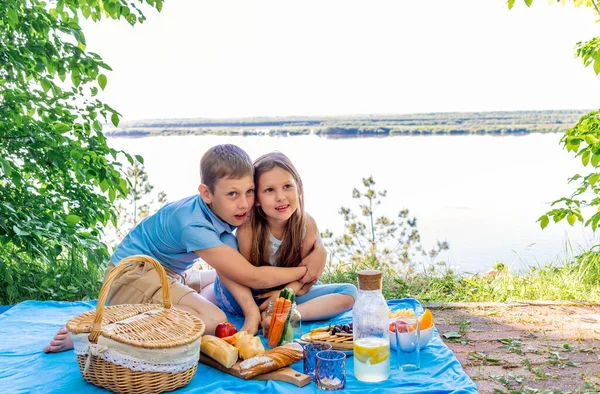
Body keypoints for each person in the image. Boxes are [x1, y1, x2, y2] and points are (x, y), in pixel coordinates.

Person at [44, 144, 317, 353]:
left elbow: (234, 270)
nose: (244, 204)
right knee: (213, 321)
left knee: (223, 276)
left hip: (171, 274)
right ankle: (99, 332)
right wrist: (302, 272)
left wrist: (319, 255)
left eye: (248, 192)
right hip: (131, 276)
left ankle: (164, 306)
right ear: (206, 193)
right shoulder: (194, 226)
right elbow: (252, 276)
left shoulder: (222, 212)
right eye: (232, 194)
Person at [214, 152, 357, 335]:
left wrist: (287, 293)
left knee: (349, 292)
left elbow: (306, 280)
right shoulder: (248, 229)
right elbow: (250, 279)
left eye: (287, 186)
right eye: (269, 190)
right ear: (256, 199)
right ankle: (207, 282)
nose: (280, 197)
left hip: (286, 293)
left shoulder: (305, 225)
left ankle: (282, 316)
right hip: (250, 296)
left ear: (298, 188)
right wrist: (294, 285)